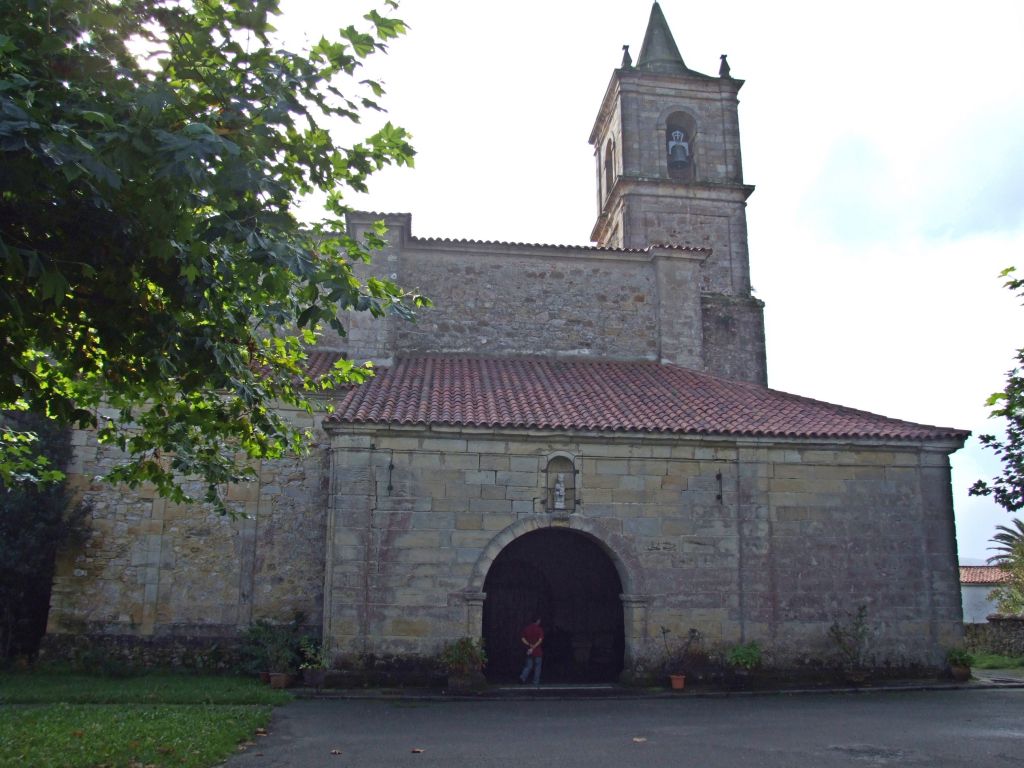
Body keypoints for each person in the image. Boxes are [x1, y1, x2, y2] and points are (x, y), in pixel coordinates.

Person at [519, 617, 544, 685]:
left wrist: (529, 644)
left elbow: (522, 638)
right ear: (538, 621)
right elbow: (540, 640)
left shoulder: (527, 628)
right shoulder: (539, 629)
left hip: (529, 650)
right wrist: (534, 646)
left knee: (528, 666)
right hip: (537, 650)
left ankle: (522, 677)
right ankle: (535, 681)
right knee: (537, 666)